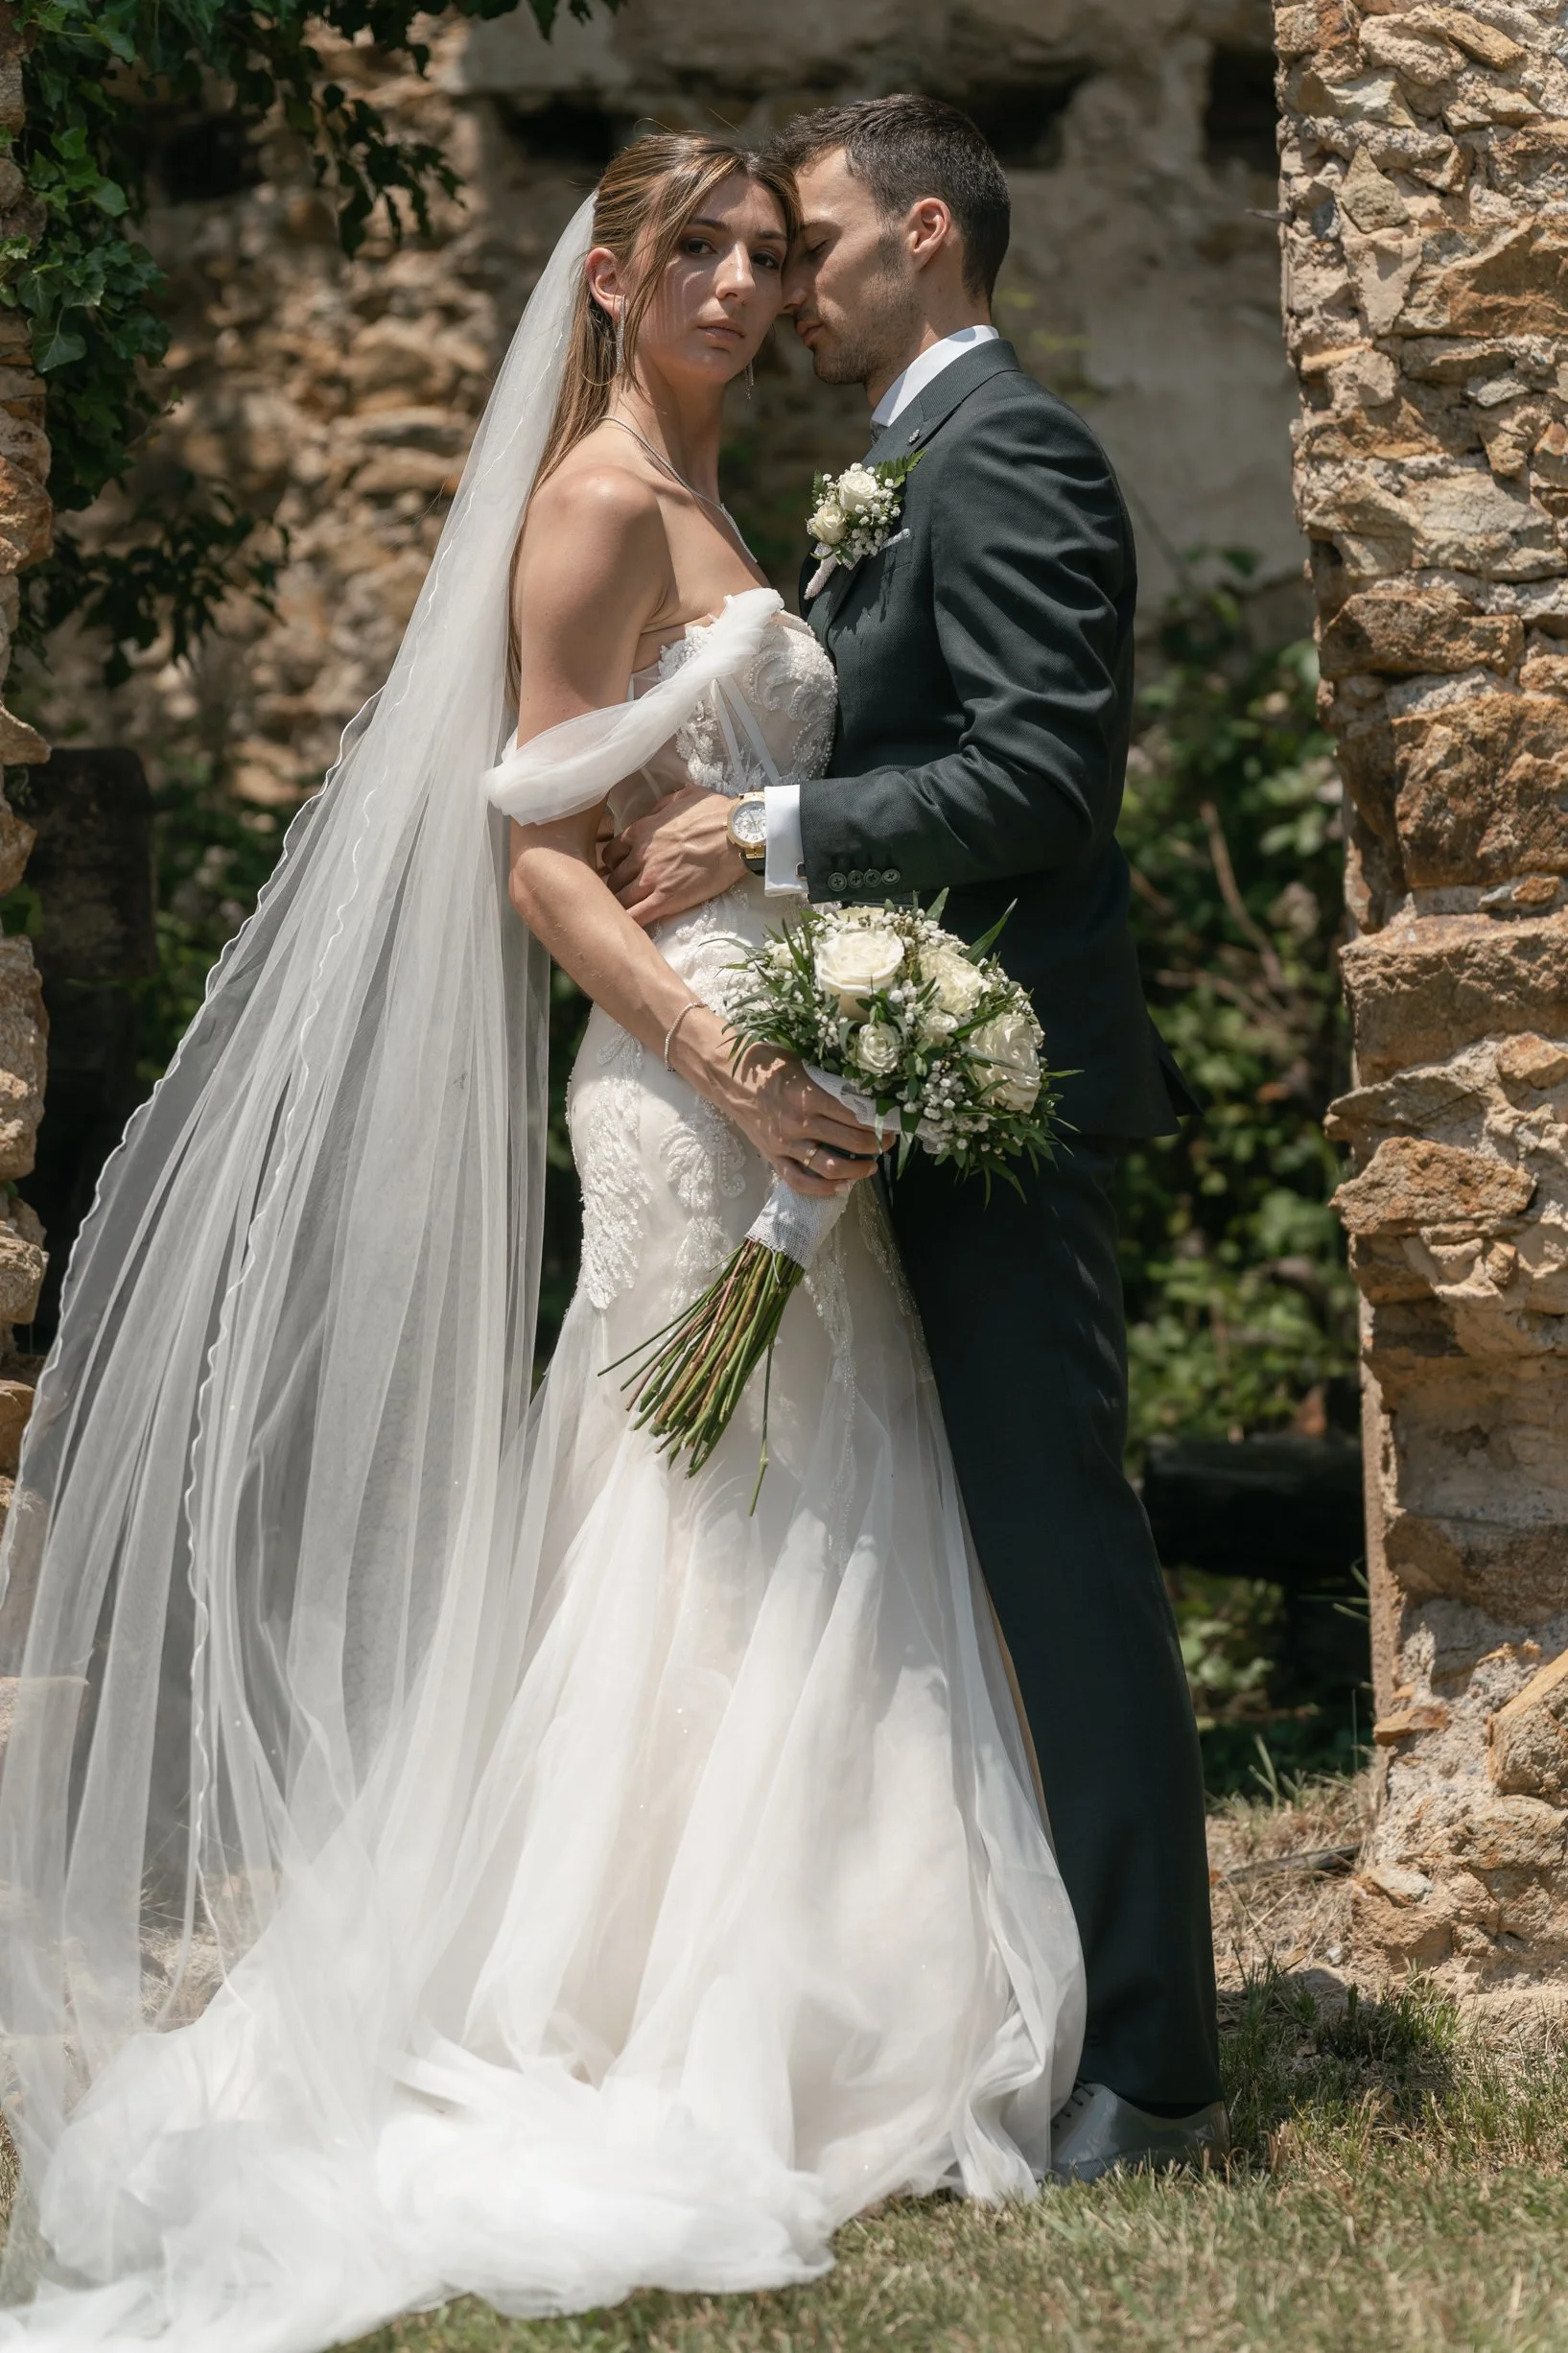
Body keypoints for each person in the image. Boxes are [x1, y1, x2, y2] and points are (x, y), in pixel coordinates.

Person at [0, 134, 1088, 2350]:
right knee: (690, 1518)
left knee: (822, 1500)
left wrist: (832, 1030)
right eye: (691, 248)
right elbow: (538, 857)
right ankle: (619, 1989)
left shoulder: (733, 492)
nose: (736, 282)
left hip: (804, 1072)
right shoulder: (593, 500)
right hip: (689, 1093)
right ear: (603, 278)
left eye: (763, 252)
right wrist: (723, 1060)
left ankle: (854, 1969)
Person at [604, 96, 1227, 2179]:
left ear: (927, 237)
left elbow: (1043, 775)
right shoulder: (891, 467)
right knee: (950, 1559)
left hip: (1007, 1083)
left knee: (1060, 1552)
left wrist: (769, 827)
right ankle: (998, 1992)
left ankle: (1152, 2054)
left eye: (820, 242)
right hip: (888, 1084)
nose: (786, 288)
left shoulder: (1013, 449)